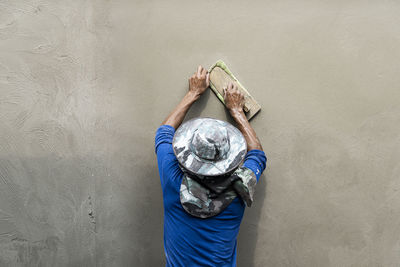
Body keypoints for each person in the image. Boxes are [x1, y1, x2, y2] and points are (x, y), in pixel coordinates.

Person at [155, 65, 267, 267]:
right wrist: (237, 111)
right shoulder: (240, 189)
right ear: (229, 158)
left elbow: (163, 133)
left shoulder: (172, 179)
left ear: (189, 155)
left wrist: (193, 93)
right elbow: (257, 154)